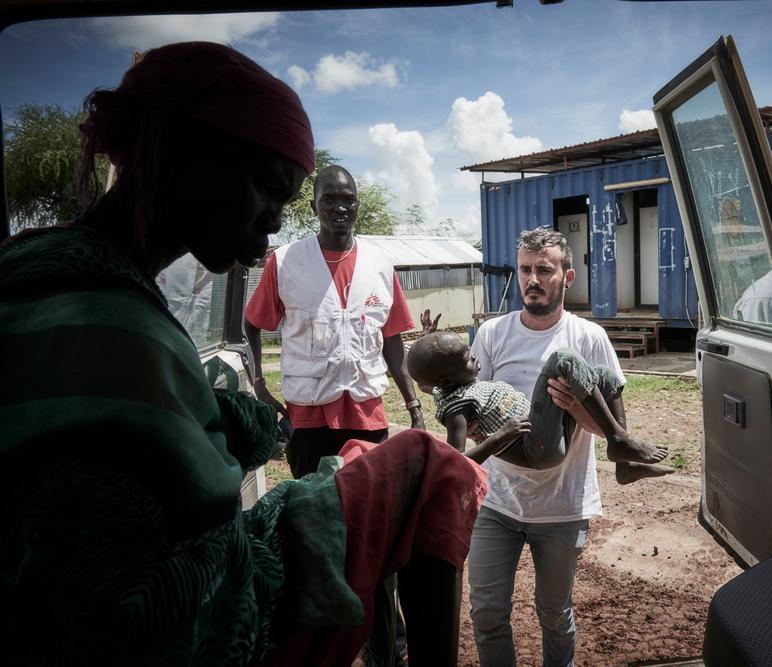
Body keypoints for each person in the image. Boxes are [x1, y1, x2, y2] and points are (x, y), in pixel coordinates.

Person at [0, 41, 485, 667]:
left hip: (363, 410)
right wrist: (260, 393)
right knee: (426, 468)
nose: (274, 220)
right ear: (181, 153)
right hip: (302, 431)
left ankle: (387, 647)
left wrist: (408, 401)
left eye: (291, 201)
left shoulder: (52, 280)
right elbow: (184, 589)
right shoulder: (121, 326)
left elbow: (392, 344)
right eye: (266, 187)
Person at [465, 227, 670, 666]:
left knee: (555, 614)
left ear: (568, 276)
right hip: (497, 503)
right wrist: (488, 431)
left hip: (562, 506)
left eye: (543, 269)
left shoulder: (589, 337)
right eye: (524, 269)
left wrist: (576, 409)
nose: (531, 279)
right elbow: (469, 417)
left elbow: (609, 426)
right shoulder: (492, 334)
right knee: (486, 613)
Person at [245, 165, 424, 480]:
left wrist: (414, 408)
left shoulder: (379, 264)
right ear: (314, 207)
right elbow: (251, 324)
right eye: (328, 199)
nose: (340, 207)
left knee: (368, 508)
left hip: (367, 413)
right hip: (307, 417)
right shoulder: (285, 262)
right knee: (313, 511)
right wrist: (259, 386)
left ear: (357, 205)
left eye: (348, 199)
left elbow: (392, 341)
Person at [408, 331, 669, 470]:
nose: (474, 356)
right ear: (447, 381)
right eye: (465, 357)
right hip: (535, 450)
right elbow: (455, 463)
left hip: (544, 433)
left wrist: (427, 339)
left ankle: (625, 463)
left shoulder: (453, 388)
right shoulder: (457, 409)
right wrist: (499, 437)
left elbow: (428, 385)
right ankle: (619, 440)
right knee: (562, 359)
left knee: (605, 375)